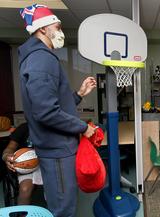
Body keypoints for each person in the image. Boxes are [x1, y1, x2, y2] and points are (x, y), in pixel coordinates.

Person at [18, 4, 97, 217]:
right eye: (58, 26)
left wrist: (78, 94)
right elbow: (46, 112)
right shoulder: (41, 58)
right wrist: (83, 127)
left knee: (60, 203)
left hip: (55, 148)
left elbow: (52, 105)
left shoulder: (36, 57)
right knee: (63, 209)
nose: (60, 32)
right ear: (43, 29)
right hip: (57, 150)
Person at [2, 122, 43, 205]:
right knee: (25, 189)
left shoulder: (53, 126)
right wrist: (6, 156)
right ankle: (23, 213)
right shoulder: (24, 127)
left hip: (48, 162)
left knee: (54, 189)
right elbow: (10, 148)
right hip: (27, 166)